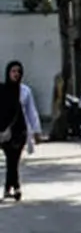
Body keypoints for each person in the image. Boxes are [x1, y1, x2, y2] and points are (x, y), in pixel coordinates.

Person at [1, 60, 41, 202]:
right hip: (5, 131)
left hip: (20, 130)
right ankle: (12, 187)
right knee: (11, 159)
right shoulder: (2, 90)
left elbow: (31, 111)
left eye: (18, 71)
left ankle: (12, 188)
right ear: (8, 72)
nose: (16, 74)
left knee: (14, 160)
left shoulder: (25, 91)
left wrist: (36, 131)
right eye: (13, 71)